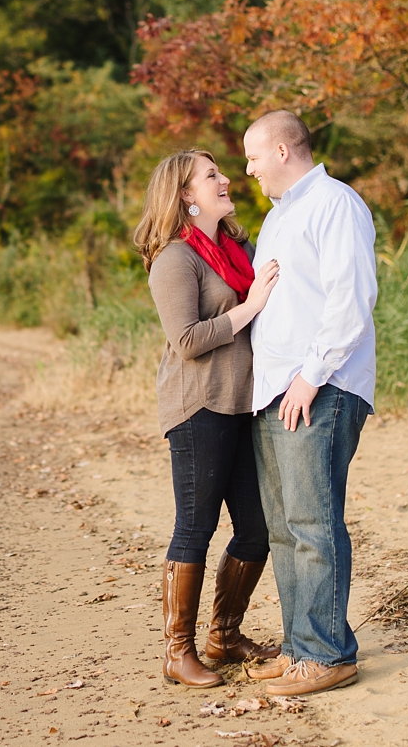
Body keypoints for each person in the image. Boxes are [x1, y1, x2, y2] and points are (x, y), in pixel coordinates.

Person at [132, 148, 282, 689]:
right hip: (197, 405)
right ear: (185, 196)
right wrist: (252, 305)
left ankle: (224, 635)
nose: (224, 179)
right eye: (211, 175)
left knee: (257, 527)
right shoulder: (176, 258)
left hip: (244, 402)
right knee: (195, 527)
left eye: (221, 171)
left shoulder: (238, 248)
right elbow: (187, 340)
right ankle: (178, 652)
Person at [241, 111, 378, 697]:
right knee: (283, 526)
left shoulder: (333, 203)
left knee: (313, 521)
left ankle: (328, 654)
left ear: (280, 150)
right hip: (274, 391)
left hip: (318, 388)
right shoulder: (277, 218)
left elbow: (352, 299)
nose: (247, 170)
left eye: (251, 158)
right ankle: (299, 645)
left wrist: (310, 376)